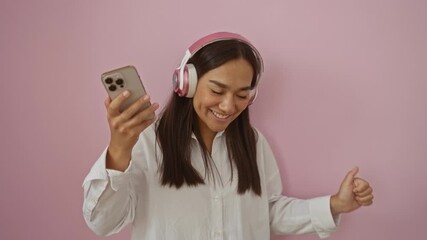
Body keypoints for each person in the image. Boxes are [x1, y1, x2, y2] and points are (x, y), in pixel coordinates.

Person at [82, 32, 374, 240]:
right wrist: (119, 152)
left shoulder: (254, 142)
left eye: (242, 94)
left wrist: (335, 204)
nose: (228, 106)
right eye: (217, 91)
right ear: (187, 83)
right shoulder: (146, 141)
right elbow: (102, 222)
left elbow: (266, 212)